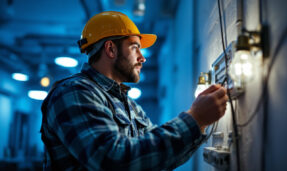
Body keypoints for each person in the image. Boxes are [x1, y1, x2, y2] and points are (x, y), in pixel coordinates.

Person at [40, 11, 228, 171]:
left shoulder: (127, 104)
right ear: (111, 49)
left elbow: (156, 157)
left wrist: (199, 124)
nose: (142, 58)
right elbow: (111, 158)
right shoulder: (74, 92)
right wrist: (194, 119)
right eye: (135, 48)